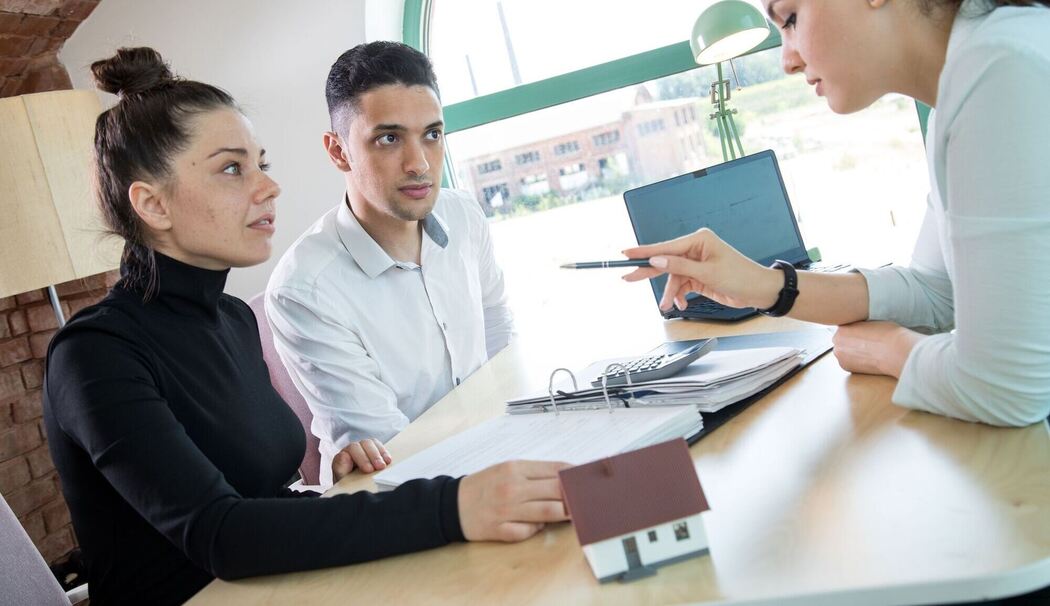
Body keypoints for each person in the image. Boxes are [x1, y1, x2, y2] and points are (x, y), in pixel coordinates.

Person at [42, 47, 566, 606]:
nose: (269, 188)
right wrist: (455, 506)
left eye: (261, 164)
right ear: (152, 204)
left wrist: (330, 488)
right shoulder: (94, 354)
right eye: (232, 169)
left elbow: (262, 496)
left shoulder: (232, 319)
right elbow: (223, 535)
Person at [624, 0, 1050, 427]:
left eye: (791, 19)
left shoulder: (1001, 68)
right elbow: (936, 291)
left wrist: (887, 349)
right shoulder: (966, 88)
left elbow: (1008, 386)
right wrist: (762, 285)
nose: (787, 61)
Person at [266, 41, 515, 486]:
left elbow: (501, 343)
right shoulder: (303, 289)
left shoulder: (463, 215)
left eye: (432, 135)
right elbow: (389, 449)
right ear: (338, 151)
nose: (419, 164)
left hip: (493, 455)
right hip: (399, 492)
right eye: (389, 138)